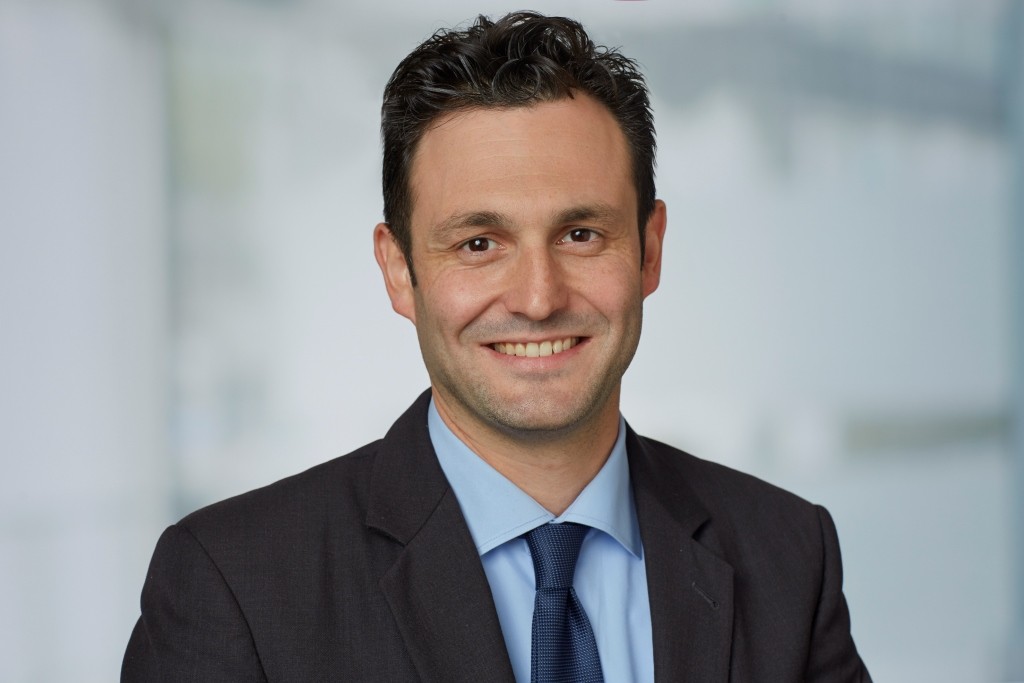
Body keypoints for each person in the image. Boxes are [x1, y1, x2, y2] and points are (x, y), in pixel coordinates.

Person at [123, 11, 871, 682]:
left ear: (649, 250)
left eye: (581, 234)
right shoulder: (235, 584)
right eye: (479, 243)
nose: (538, 298)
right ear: (399, 270)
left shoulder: (787, 554)